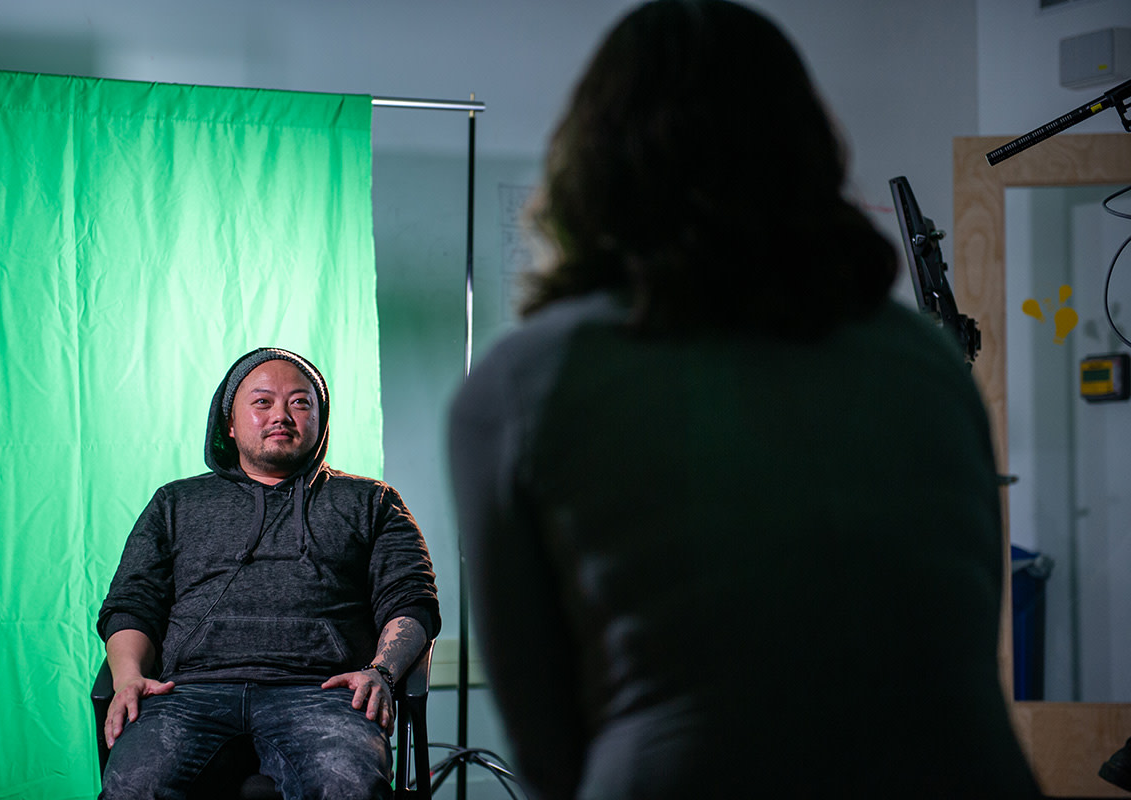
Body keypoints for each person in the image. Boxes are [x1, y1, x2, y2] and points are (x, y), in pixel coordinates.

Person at [447, 2, 1041, 798]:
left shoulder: (521, 384)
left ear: (589, 161)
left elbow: (545, 741)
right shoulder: (925, 361)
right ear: (806, 149)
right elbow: (958, 640)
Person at [98, 347, 439, 800]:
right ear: (231, 424)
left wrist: (382, 671)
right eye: (262, 402)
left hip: (324, 692)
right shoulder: (175, 503)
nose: (282, 414)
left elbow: (411, 599)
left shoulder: (372, 502)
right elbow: (132, 604)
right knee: (134, 787)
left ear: (320, 422)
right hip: (188, 692)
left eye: (300, 402)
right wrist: (127, 678)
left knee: (350, 786)